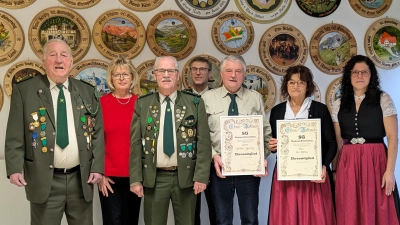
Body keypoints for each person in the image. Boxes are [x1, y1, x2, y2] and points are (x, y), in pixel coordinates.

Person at [4, 38, 104, 225]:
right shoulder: (25, 90)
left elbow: (97, 133)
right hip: (44, 180)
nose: (59, 60)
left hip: (80, 180)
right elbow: (14, 135)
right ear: (43, 59)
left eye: (64, 55)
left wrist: (98, 166)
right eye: (53, 55)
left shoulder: (87, 91)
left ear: (71, 61)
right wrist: (14, 168)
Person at [129, 56, 212, 225]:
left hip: (186, 178)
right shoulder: (143, 104)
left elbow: (203, 142)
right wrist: (136, 179)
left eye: (170, 71)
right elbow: (136, 143)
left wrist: (201, 176)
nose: (166, 75)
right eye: (161, 71)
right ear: (154, 75)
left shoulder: (194, 103)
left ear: (178, 75)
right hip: (154, 178)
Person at [202, 55, 271, 225]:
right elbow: (201, 135)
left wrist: (261, 157)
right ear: (221, 74)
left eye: (238, 71)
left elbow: (265, 134)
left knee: (250, 219)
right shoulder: (207, 98)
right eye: (229, 71)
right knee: (222, 220)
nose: (233, 75)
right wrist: (213, 155)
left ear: (244, 74)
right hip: (219, 169)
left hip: (248, 172)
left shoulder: (255, 98)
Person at [332, 55, 400, 225]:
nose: (359, 76)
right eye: (355, 72)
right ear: (349, 76)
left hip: (375, 160)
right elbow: (337, 141)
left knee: (377, 207)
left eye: (364, 72)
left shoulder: (383, 99)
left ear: (371, 75)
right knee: (348, 209)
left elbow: (393, 137)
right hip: (348, 162)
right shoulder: (339, 103)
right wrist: (334, 170)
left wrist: (390, 172)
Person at [267, 65, 336, 225]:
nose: (295, 86)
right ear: (286, 86)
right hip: (285, 175)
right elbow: (272, 144)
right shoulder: (277, 111)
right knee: (286, 217)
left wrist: (324, 165)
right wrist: (271, 146)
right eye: (291, 82)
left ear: (308, 86)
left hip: (313, 174)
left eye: (300, 82)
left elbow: (331, 143)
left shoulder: (320, 110)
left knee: (314, 217)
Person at [98, 55, 141, 225]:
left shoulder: (141, 104)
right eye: (117, 75)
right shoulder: (101, 103)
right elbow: (95, 142)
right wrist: (100, 174)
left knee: (131, 221)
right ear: (111, 78)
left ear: (132, 77)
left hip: (135, 175)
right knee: (112, 221)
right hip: (108, 177)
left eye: (126, 74)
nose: (122, 78)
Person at [187, 56, 216, 225]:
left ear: (209, 73)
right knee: (190, 213)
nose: (198, 72)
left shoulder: (217, 96)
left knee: (217, 211)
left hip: (213, 162)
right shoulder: (181, 97)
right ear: (190, 73)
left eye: (202, 69)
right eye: (195, 69)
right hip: (189, 162)